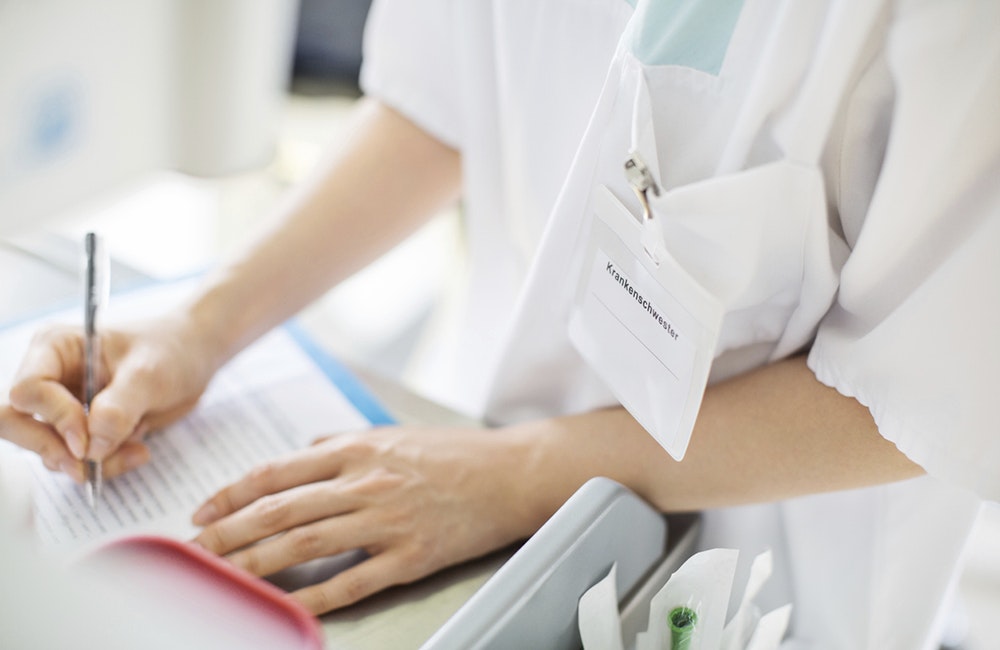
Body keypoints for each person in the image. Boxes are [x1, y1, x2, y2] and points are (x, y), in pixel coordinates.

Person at [2, 0, 997, 646]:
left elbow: (932, 386)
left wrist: (521, 471)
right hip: (477, 457)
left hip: (776, 573)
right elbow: (439, 109)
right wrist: (202, 323)